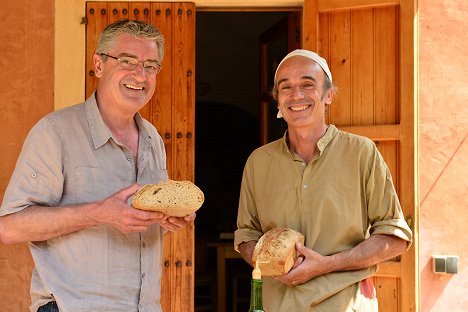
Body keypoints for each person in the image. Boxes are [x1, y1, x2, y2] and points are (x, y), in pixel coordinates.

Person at [0, 19, 195, 312]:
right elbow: (9, 228)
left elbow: (135, 220)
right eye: (127, 61)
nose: (140, 75)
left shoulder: (153, 138)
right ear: (99, 64)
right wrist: (98, 213)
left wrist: (167, 219)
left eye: (151, 65)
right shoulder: (55, 132)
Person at [234, 49, 413, 311]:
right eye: (286, 88)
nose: (296, 95)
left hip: (345, 304)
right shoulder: (258, 162)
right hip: (277, 305)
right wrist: (271, 262)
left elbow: (395, 237)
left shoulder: (361, 153)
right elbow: (247, 236)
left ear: (328, 95)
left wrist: (328, 264)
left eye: (307, 84)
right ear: (277, 100)